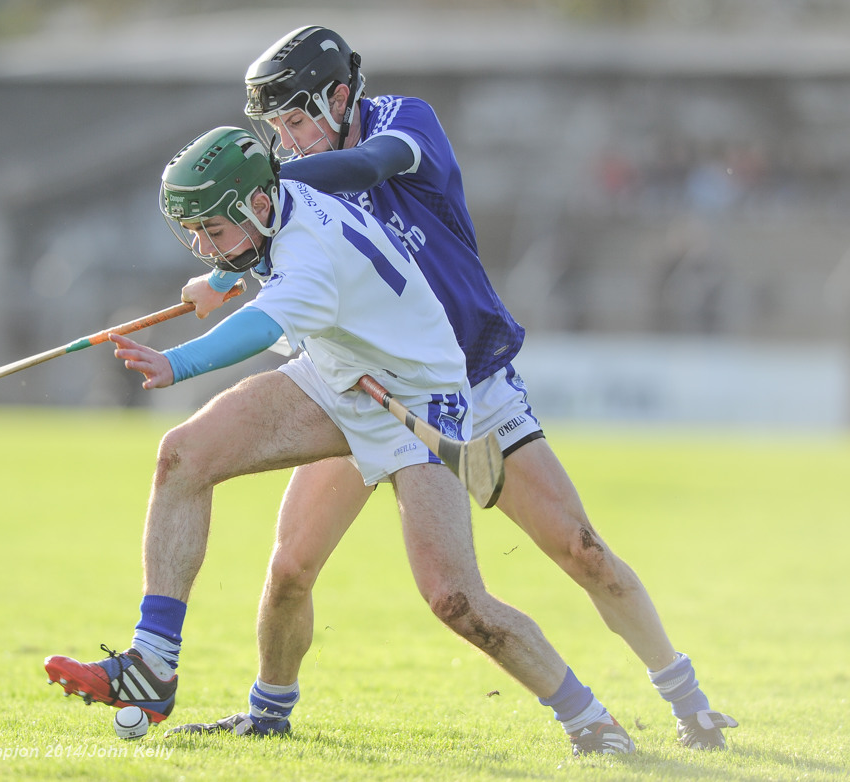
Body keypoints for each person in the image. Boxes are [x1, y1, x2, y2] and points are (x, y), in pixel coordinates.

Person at [172, 26, 737, 752]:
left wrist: (266, 187)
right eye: (275, 127)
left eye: (297, 118)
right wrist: (220, 276)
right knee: (289, 571)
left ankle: (688, 701)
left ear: (340, 95)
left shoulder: (404, 124)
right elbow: (263, 235)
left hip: (470, 387)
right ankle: (269, 711)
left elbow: (365, 167)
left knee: (582, 550)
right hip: (362, 385)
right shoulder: (294, 176)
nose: (288, 140)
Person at [44, 125, 634, 757]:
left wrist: (178, 363)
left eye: (211, 231)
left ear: (258, 207)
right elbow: (254, 261)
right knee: (193, 467)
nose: (200, 244)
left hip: (416, 399)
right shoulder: (278, 196)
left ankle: (592, 721)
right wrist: (220, 275)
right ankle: (159, 667)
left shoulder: (309, 252)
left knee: (455, 599)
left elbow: (264, 321)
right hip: (338, 375)